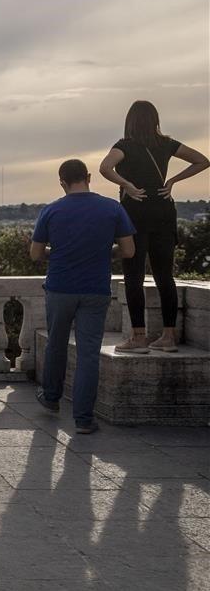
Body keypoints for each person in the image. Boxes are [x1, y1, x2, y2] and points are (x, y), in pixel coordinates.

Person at [31, 159, 136, 434]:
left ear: (62, 182)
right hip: (95, 289)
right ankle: (83, 419)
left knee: (56, 343)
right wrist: (105, 252)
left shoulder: (51, 210)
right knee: (89, 354)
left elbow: (35, 254)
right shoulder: (112, 208)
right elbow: (128, 251)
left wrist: (58, 254)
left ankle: (51, 399)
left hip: (60, 287)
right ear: (88, 177)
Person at [98, 101, 209, 354]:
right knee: (164, 276)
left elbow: (105, 168)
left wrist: (126, 184)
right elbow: (203, 161)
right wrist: (173, 180)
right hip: (163, 211)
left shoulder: (124, 145)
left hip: (135, 214)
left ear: (130, 121)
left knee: (133, 277)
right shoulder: (167, 144)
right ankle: (168, 337)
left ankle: (138, 338)